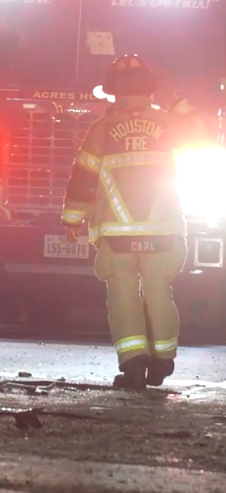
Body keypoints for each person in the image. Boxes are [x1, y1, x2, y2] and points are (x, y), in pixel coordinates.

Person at [60, 54, 207, 389]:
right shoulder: (169, 123)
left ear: (112, 91)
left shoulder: (101, 129)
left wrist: (72, 218)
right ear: (151, 87)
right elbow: (203, 134)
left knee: (123, 295)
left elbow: (83, 178)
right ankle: (164, 360)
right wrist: (179, 103)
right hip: (165, 231)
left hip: (117, 234)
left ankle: (134, 364)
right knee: (159, 292)